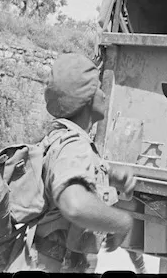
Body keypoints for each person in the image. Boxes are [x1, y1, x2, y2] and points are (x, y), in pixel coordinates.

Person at [8, 53, 137, 272]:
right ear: (85, 97)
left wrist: (111, 175)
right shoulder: (73, 145)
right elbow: (74, 204)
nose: (104, 94)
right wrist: (122, 222)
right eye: (98, 87)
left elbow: (73, 173)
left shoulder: (62, 139)